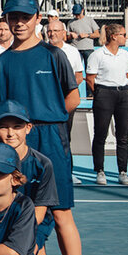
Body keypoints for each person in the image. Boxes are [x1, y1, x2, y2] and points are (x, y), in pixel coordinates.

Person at [0, 0, 92, 255]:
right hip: (15, 143)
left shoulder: (54, 55)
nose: (19, 22)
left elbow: (73, 97)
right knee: (26, 211)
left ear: (37, 19)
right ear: (6, 19)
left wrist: (48, 122)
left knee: (61, 212)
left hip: (50, 137)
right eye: (13, 16)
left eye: (25, 17)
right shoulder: (1, 62)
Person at [0, 100, 60, 255]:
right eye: (4, 127)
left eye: (17, 126)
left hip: (31, 225)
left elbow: (40, 210)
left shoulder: (42, 164)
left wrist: (17, 229)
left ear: (28, 128)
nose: (11, 133)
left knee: (23, 249)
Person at [86, 24, 128, 186]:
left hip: (124, 95)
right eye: (123, 34)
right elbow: (90, 78)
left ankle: (123, 172)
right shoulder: (98, 54)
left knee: (123, 136)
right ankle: (100, 170)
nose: (125, 37)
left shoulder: (125, 55)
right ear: (114, 36)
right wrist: (99, 93)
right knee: (100, 134)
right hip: (104, 94)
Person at [46, 20, 84, 183]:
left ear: (63, 33)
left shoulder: (73, 52)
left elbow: (78, 77)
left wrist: (65, 92)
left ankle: (68, 172)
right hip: (46, 102)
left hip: (64, 101)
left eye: (55, 30)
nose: (52, 33)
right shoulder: (41, 50)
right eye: (49, 31)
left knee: (64, 137)